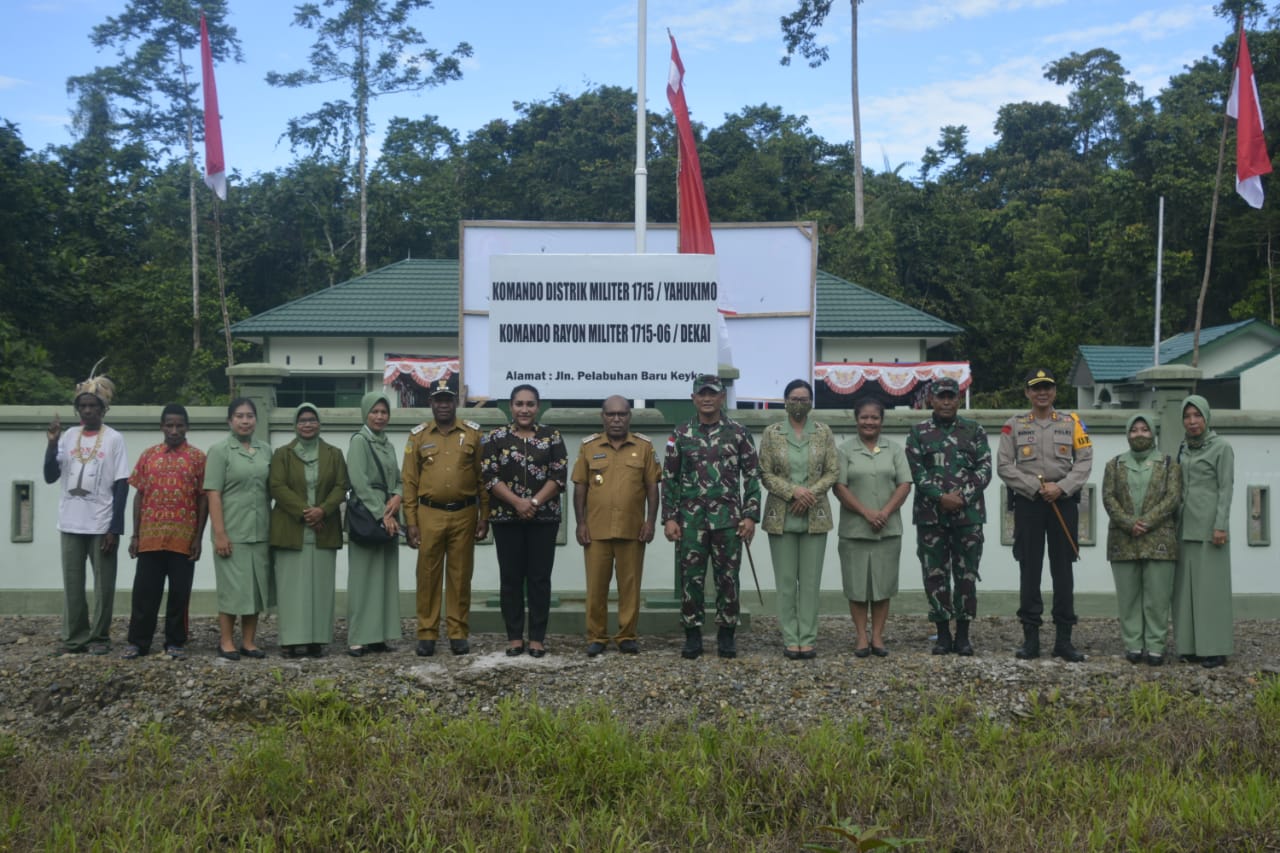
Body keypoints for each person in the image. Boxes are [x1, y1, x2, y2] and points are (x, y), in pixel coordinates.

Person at [662, 374, 761, 660]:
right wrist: (669, 518)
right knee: (690, 579)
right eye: (701, 394)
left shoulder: (739, 433)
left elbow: (752, 476)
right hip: (690, 521)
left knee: (728, 578)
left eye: (712, 394)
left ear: (722, 398)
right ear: (693, 399)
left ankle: (726, 634)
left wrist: (751, 515)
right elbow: (669, 478)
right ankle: (692, 634)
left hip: (729, 521)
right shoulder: (680, 434)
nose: (707, 399)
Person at [997, 368, 1093, 661]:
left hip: (1062, 503)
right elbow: (1004, 465)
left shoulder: (1072, 422)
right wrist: (1035, 488)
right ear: (1027, 392)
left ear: (1054, 392)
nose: (1042, 393)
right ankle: (1031, 640)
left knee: (1063, 570)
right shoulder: (1013, 425)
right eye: (1036, 388)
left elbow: (1084, 461)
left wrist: (1061, 488)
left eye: (1047, 387)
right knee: (1030, 570)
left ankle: (1064, 640)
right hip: (1029, 503)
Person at [43, 364, 129, 655]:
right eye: (83, 406)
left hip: (101, 522)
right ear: (77, 409)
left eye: (93, 406)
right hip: (70, 522)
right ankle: (74, 637)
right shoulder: (67, 437)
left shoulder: (114, 439)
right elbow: (50, 475)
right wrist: (51, 444)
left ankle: (100, 638)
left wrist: (115, 528)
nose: (88, 411)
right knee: (73, 583)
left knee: (104, 585)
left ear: (103, 409)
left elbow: (121, 485)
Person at [904, 377, 992, 656]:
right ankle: (943, 634)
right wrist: (941, 497)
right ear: (931, 399)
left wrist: (961, 497)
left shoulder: (974, 430)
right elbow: (916, 472)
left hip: (968, 516)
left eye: (950, 396)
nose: (945, 401)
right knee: (934, 575)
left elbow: (984, 470)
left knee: (967, 574)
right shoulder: (918, 432)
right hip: (932, 516)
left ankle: (964, 635)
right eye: (940, 396)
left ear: (958, 398)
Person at [403, 376, 488, 657]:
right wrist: (411, 522)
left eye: (448, 400)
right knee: (427, 576)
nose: (443, 405)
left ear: (455, 402)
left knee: (460, 576)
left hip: (464, 514)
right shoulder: (418, 437)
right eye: (438, 400)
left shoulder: (474, 435)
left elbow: (483, 480)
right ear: (431, 404)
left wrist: (483, 516)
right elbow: (410, 483)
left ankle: (457, 632)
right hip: (429, 514)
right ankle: (426, 633)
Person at [482, 384, 567, 658]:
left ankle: (538, 639)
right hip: (506, 517)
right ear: (511, 406)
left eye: (530, 404)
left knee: (540, 578)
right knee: (511, 578)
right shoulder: (494, 438)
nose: (524, 409)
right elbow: (489, 477)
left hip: (544, 518)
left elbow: (559, 476)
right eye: (519, 404)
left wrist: (533, 503)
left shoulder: (552, 437)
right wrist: (517, 503)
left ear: (538, 406)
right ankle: (515, 637)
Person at [572, 395, 661, 656]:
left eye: (622, 414)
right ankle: (597, 637)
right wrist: (580, 523)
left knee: (630, 586)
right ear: (602, 417)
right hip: (596, 529)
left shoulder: (643, 447)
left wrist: (651, 521)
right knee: (596, 587)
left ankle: (626, 636)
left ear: (629, 417)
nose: (616, 419)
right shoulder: (589, 446)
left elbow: (652, 487)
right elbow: (580, 486)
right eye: (611, 414)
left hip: (632, 529)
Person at [121, 405, 208, 659]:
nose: (174, 430)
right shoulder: (148, 455)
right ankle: (138, 642)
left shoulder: (198, 458)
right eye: (169, 425)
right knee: (144, 594)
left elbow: (203, 499)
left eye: (179, 425)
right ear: (161, 426)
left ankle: (175, 642)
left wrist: (198, 538)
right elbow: (139, 496)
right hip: (150, 538)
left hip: (183, 539)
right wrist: (135, 535)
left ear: (187, 427)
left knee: (180, 594)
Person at [758, 379, 837, 660]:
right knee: (787, 581)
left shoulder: (823, 432)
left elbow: (832, 471)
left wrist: (809, 494)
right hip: (781, 515)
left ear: (812, 402)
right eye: (794, 398)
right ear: (785, 400)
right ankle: (791, 637)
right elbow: (765, 473)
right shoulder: (772, 432)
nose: (799, 403)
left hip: (814, 514)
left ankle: (809, 636)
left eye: (804, 399)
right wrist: (794, 492)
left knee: (811, 581)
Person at [833, 397, 912, 658]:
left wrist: (885, 512)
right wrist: (866, 513)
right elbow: (839, 487)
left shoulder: (894, 449)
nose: (869, 422)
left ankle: (877, 636)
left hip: (887, 530)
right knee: (857, 587)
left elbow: (904, 484)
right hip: (855, 530)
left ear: (882, 420)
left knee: (882, 586)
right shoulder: (844, 450)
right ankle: (860, 636)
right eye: (864, 417)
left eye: (874, 417)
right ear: (856, 419)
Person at [1101, 413, 1181, 666]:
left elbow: (1172, 498)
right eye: (1134, 430)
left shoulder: (1169, 465)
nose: (1139, 434)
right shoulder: (1114, 465)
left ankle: (1156, 645)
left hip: (1159, 540)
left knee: (1157, 598)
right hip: (1123, 540)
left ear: (1153, 433)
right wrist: (1128, 522)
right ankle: (1133, 644)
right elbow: (1108, 498)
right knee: (1129, 597)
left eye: (1144, 429)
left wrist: (1146, 521)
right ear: (1127, 434)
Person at [269, 403, 348, 658]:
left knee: (320, 588)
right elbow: (277, 487)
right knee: (291, 589)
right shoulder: (283, 454)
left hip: (324, 529)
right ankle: (290, 641)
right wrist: (307, 512)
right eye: (302, 420)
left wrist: (322, 510)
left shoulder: (333, 454)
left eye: (312, 419)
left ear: (319, 423)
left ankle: (316, 640)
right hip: (291, 530)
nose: (307, 424)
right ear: (295, 424)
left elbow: (341, 485)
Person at [205, 397, 272, 660]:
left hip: (260, 531)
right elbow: (213, 494)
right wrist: (220, 533)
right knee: (232, 589)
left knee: (255, 589)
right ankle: (225, 641)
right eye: (239, 416)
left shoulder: (266, 450)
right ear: (230, 420)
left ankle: (248, 641)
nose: (245, 421)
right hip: (232, 531)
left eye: (250, 416)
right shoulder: (220, 451)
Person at [1174, 395, 1234, 669]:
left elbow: (1225, 488)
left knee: (1210, 591)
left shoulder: (1221, 448)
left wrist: (1221, 525)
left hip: (1211, 528)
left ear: (1207, 417)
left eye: (1197, 415)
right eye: (1187, 416)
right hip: (1185, 526)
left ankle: (1215, 648)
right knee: (1185, 591)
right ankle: (1189, 646)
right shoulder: (1183, 448)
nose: (1192, 421)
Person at [345, 391, 404, 658]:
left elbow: (399, 479)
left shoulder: (388, 444)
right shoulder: (360, 441)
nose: (380, 417)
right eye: (375, 412)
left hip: (389, 511)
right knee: (363, 577)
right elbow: (359, 482)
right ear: (365, 413)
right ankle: (358, 637)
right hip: (369, 515)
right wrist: (383, 514)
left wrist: (398, 497)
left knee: (385, 577)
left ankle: (379, 635)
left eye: (384, 412)